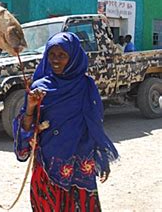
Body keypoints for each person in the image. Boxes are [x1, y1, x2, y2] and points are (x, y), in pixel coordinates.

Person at [13, 32, 118, 211]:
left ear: (74, 57)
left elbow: (94, 124)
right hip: (48, 166)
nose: (56, 60)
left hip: (80, 164)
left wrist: (100, 158)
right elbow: (27, 128)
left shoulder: (86, 86)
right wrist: (31, 107)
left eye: (62, 55)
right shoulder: (39, 88)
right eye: (52, 55)